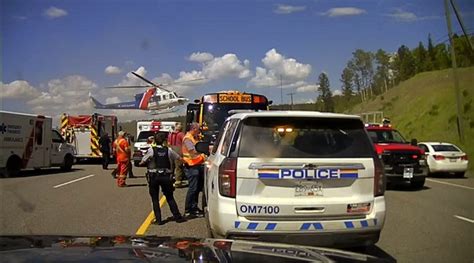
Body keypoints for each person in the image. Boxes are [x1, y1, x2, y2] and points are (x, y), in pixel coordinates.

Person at [139, 133, 186, 225]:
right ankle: (177, 217)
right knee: (169, 197)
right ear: (164, 140)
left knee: (155, 198)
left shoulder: (151, 150)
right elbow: (179, 158)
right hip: (166, 176)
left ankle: (159, 219)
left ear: (155, 141)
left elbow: (142, 161)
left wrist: (146, 162)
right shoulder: (169, 150)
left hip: (154, 176)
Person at [182, 122, 206, 217]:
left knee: (197, 188)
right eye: (198, 129)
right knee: (192, 188)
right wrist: (204, 151)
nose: (199, 131)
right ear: (194, 129)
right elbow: (192, 150)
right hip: (191, 166)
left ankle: (194, 208)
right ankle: (188, 210)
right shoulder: (188, 138)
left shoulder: (194, 138)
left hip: (197, 165)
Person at [167, 123, 188, 188]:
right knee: (178, 167)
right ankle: (178, 181)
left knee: (171, 166)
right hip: (178, 150)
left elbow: (168, 143)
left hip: (170, 149)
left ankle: (169, 179)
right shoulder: (181, 134)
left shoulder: (170, 134)